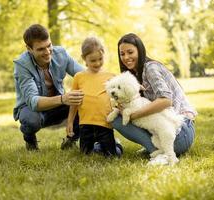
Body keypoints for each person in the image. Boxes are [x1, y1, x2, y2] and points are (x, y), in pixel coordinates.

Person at [112, 33, 197, 164]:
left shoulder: (150, 68)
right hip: (163, 129)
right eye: (122, 54)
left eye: (130, 52)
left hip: (180, 131)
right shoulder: (134, 75)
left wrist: (133, 115)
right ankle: (155, 149)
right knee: (116, 117)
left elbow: (166, 100)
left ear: (139, 50)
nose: (126, 57)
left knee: (123, 118)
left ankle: (161, 153)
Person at [13, 24, 84, 151]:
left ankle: (71, 140)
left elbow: (84, 76)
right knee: (31, 120)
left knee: (83, 102)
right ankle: (30, 141)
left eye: (49, 45)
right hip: (32, 109)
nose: (47, 52)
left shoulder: (60, 54)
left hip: (58, 106)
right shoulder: (22, 65)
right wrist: (63, 99)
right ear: (29, 49)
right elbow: (33, 102)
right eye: (40, 49)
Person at [66, 37, 123, 157]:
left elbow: (119, 96)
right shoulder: (79, 77)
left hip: (104, 124)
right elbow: (74, 102)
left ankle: (116, 145)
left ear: (104, 55)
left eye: (100, 59)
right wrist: (70, 121)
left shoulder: (111, 76)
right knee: (85, 154)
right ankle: (98, 146)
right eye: (93, 60)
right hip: (85, 124)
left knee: (112, 155)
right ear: (84, 59)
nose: (97, 63)